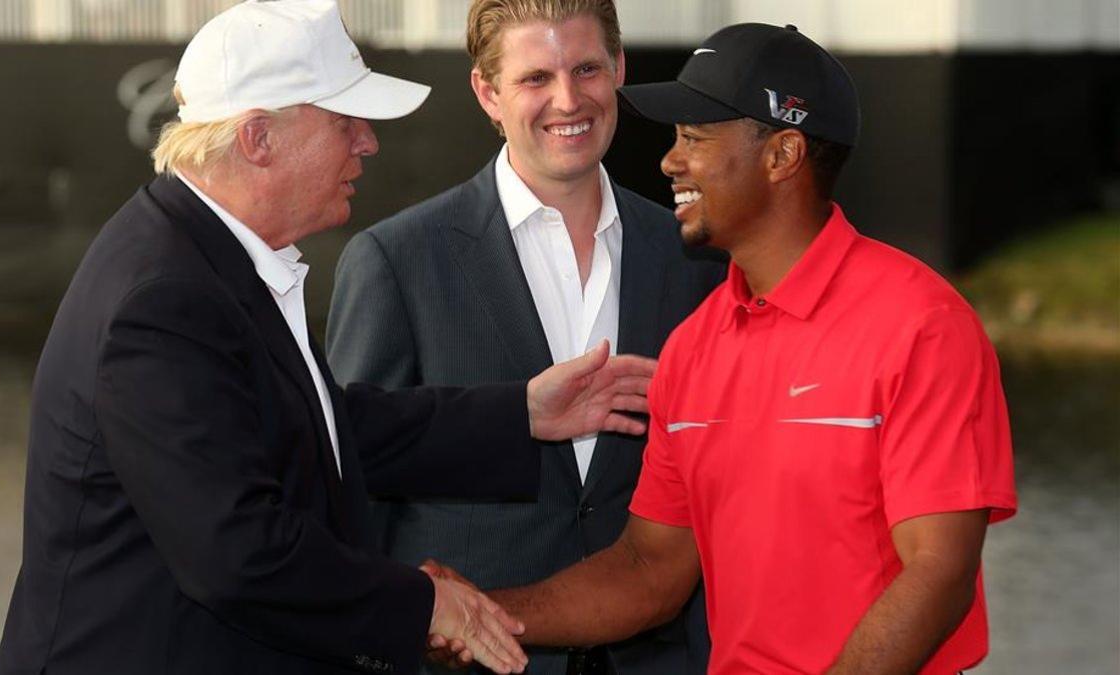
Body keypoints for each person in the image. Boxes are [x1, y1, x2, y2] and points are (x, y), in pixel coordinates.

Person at [0, 2, 660, 674]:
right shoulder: (166, 298)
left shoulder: (204, 255)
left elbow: (321, 429)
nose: (367, 142)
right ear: (258, 139)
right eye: (345, 122)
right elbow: (239, 552)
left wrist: (523, 414)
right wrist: (426, 603)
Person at [427, 23, 1018, 674]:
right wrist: (476, 609)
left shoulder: (921, 326)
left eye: (695, 138)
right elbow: (648, 570)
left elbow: (939, 572)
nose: (669, 161)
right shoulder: (693, 346)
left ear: (782, 154)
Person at [326, 1, 721, 673]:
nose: (569, 99)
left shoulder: (695, 258)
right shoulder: (397, 260)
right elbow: (349, 482)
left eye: (588, 67)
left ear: (620, 68)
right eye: (536, 77)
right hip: (471, 661)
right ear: (488, 92)